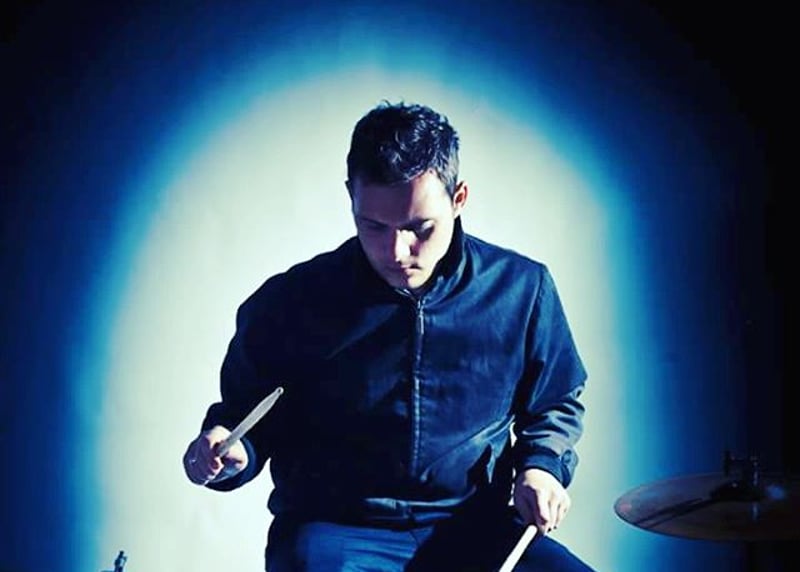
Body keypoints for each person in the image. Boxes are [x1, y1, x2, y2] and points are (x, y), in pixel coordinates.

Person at [183, 101, 594, 571]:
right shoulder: (290, 301)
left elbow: (555, 402)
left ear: (459, 198)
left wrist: (542, 466)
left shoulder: (521, 289)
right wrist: (232, 448)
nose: (397, 251)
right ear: (351, 197)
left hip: (473, 523)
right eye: (374, 226)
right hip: (338, 528)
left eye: (420, 228)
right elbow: (246, 417)